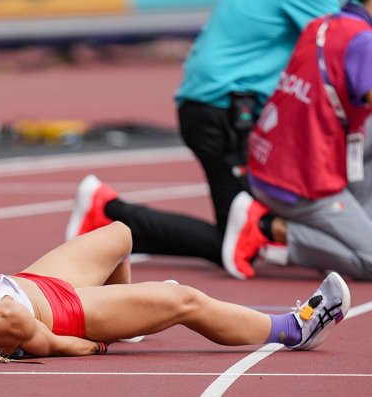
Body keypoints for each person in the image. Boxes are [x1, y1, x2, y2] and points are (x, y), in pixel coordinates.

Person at [65, 0, 341, 270]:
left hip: (217, 108)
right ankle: (108, 213)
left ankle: (109, 221)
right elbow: (347, 41)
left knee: (247, 230)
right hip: (222, 112)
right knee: (240, 240)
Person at [0, 222, 350, 363]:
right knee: (183, 301)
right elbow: (52, 344)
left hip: (34, 280)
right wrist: (97, 341)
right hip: (68, 313)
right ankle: (296, 328)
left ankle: (130, 316)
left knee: (120, 234)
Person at [222, 0, 372, 281]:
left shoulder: (321, 25)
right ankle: (268, 230)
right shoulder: (363, 41)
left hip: (269, 162)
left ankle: (352, 234)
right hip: (302, 184)